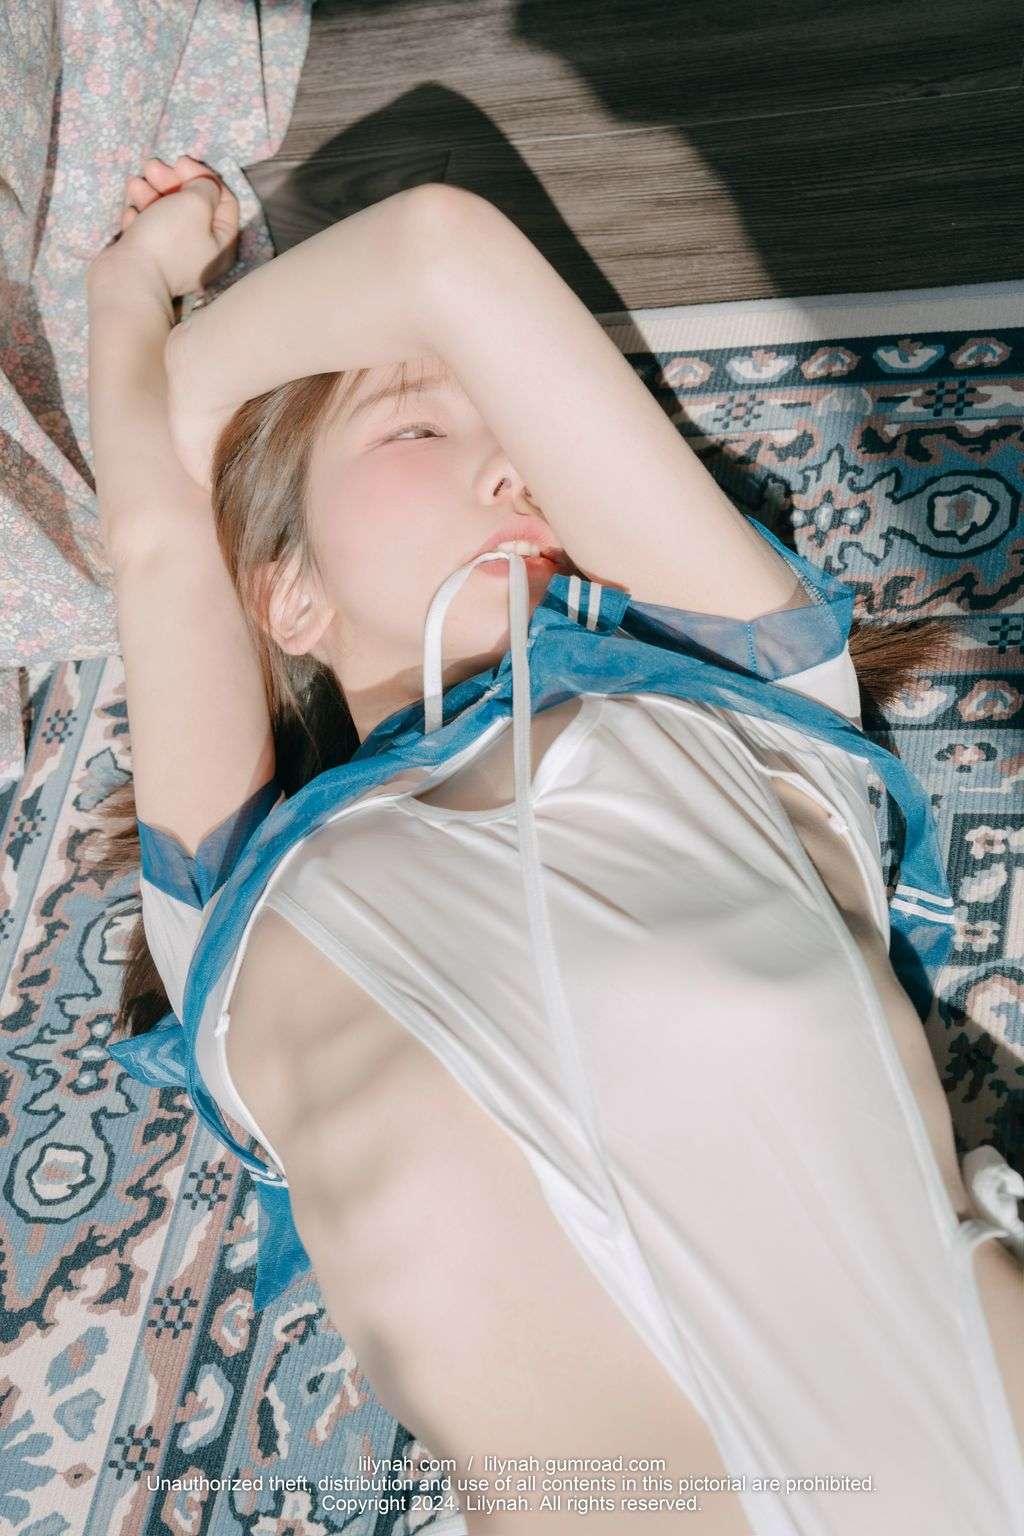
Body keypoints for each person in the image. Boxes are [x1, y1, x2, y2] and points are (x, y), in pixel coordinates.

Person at [89, 158, 1024, 1535]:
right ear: (283, 595)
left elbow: (439, 254)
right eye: (420, 429)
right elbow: (164, 545)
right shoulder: (232, 895)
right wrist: (160, 358)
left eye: (512, 428)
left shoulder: (749, 698)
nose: (514, 466)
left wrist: (145, 319)